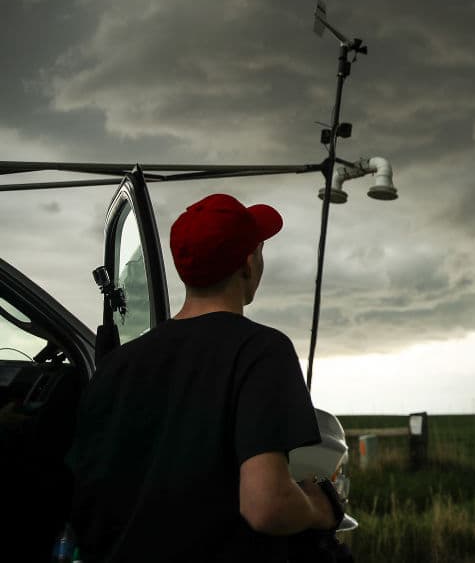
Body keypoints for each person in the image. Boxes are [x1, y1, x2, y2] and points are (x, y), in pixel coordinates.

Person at [66, 193, 341, 562]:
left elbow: (85, 498)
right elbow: (266, 505)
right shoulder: (261, 351)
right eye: (259, 249)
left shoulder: (116, 366)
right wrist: (320, 508)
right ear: (248, 263)